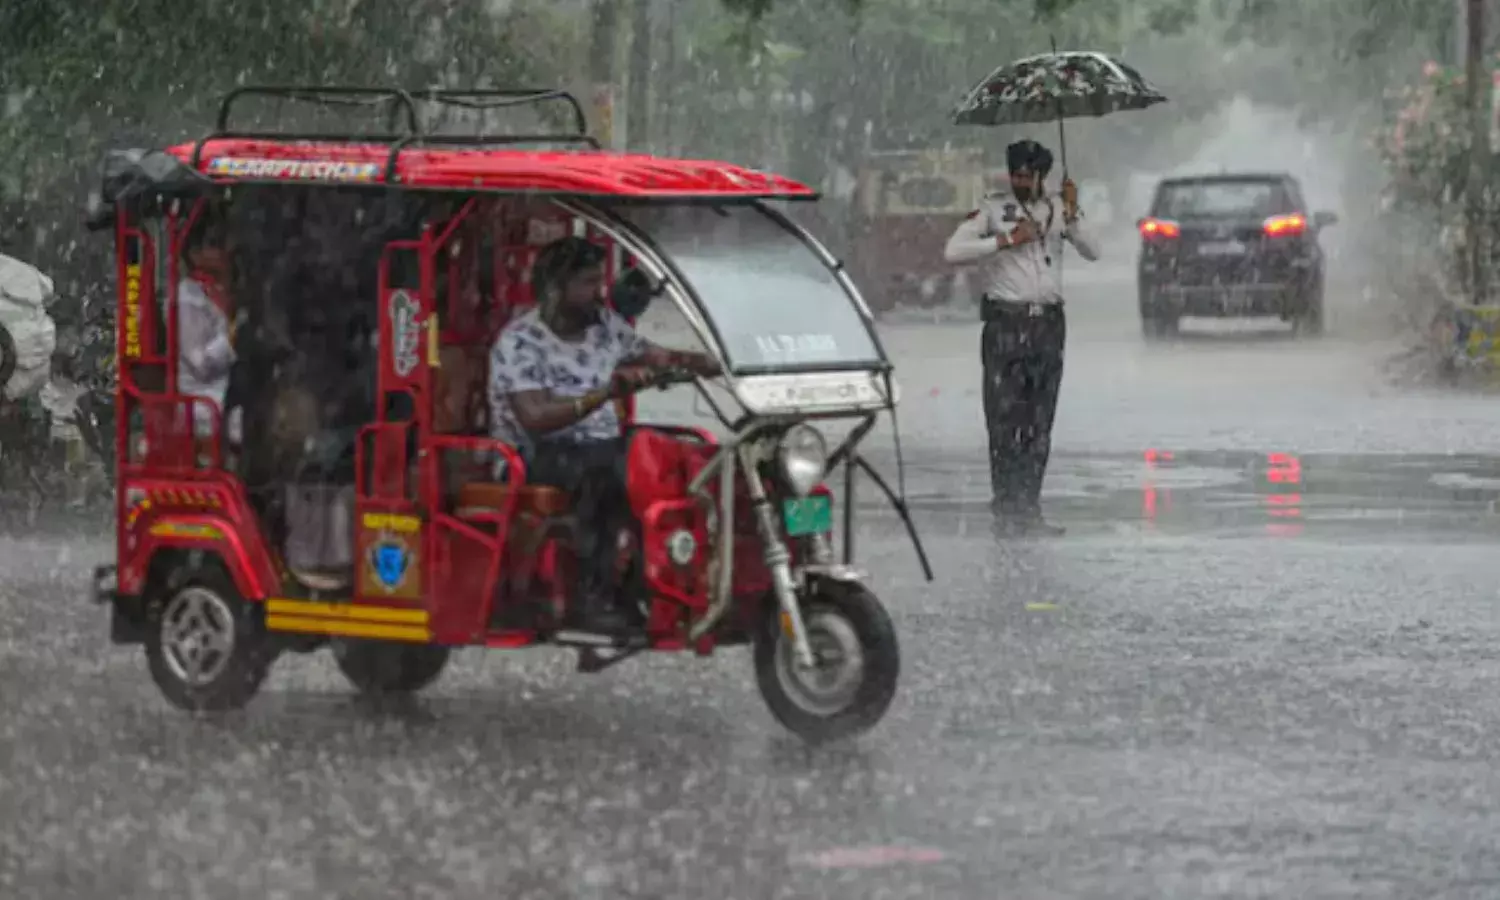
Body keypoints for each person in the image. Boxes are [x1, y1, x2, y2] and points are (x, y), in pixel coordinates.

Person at [488, 237, 719, 632]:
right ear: (555, 288)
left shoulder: (604, 325)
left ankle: (664, 578)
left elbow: (658, 355)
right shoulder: (519, 342)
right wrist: (604, 394)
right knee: (609, 473)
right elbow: (535, 418)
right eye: (588, 283)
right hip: (532, 454)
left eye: (600, 281)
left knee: (677, 458)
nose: (599, 292)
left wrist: (711, 362)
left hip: (600, 444)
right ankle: (591, 597)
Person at [943, 139, 1099, 536]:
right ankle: (1006, 506)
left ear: (1042, 175)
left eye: (1028, 175)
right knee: (1003, 422)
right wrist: (1005, 240)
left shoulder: (1058, 209)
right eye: (1015, 174)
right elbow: (953, 251)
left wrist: (1073, 212)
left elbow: (1093, 250)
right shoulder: (994, 210)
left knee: (1039, 423)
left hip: (1047, 326)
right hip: (1006, 326)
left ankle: (1029, 507)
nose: (1020, 181)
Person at [176, 214, 240, 444]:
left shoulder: (225, 289)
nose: (225, 250)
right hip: (204, 402)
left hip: (234, 389)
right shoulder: (188, 298)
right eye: (215, 244)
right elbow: (200, 364)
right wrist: (231, 338)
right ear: (195, 254)